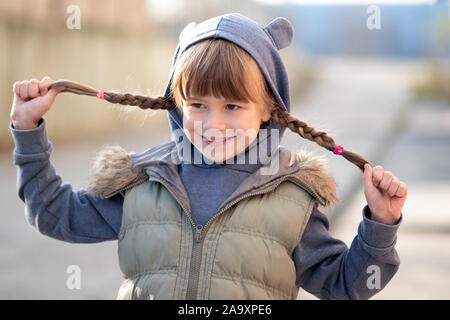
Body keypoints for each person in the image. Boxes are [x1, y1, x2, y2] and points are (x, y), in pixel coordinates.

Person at [9, 13, 407, 300]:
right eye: (198, 104)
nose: (213, 124)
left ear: (268, 107)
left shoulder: (294, 196)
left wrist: (381, 226)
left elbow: (347, 285)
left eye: (232, 106)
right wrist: (28, 134)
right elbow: (54, 214)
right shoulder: (142, 180)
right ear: (178, 104)